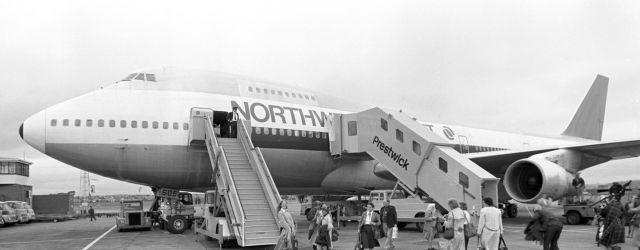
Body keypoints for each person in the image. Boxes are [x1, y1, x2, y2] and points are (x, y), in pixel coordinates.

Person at [599, 183, 626, 249]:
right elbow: (623, 215)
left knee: (609, 246)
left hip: (612, 227)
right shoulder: (619, 204)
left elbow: (604, 213)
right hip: (618, 227)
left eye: (611, 193)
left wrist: (601, 210)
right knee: (611, 245)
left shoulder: (613, 203)